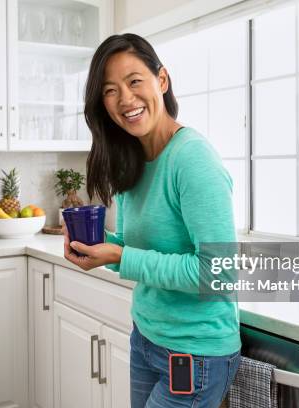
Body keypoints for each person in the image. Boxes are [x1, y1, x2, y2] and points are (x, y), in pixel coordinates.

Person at [63, 33, 241, 408]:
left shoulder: (192, 159)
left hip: (194, 354)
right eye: (110, 90)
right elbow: (133, 247)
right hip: (146, 339)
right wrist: (99, 246)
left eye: (134, 82)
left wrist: (119, 257)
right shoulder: (132, 160)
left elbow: (219, 272)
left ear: (162, 80)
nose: (125, 99)